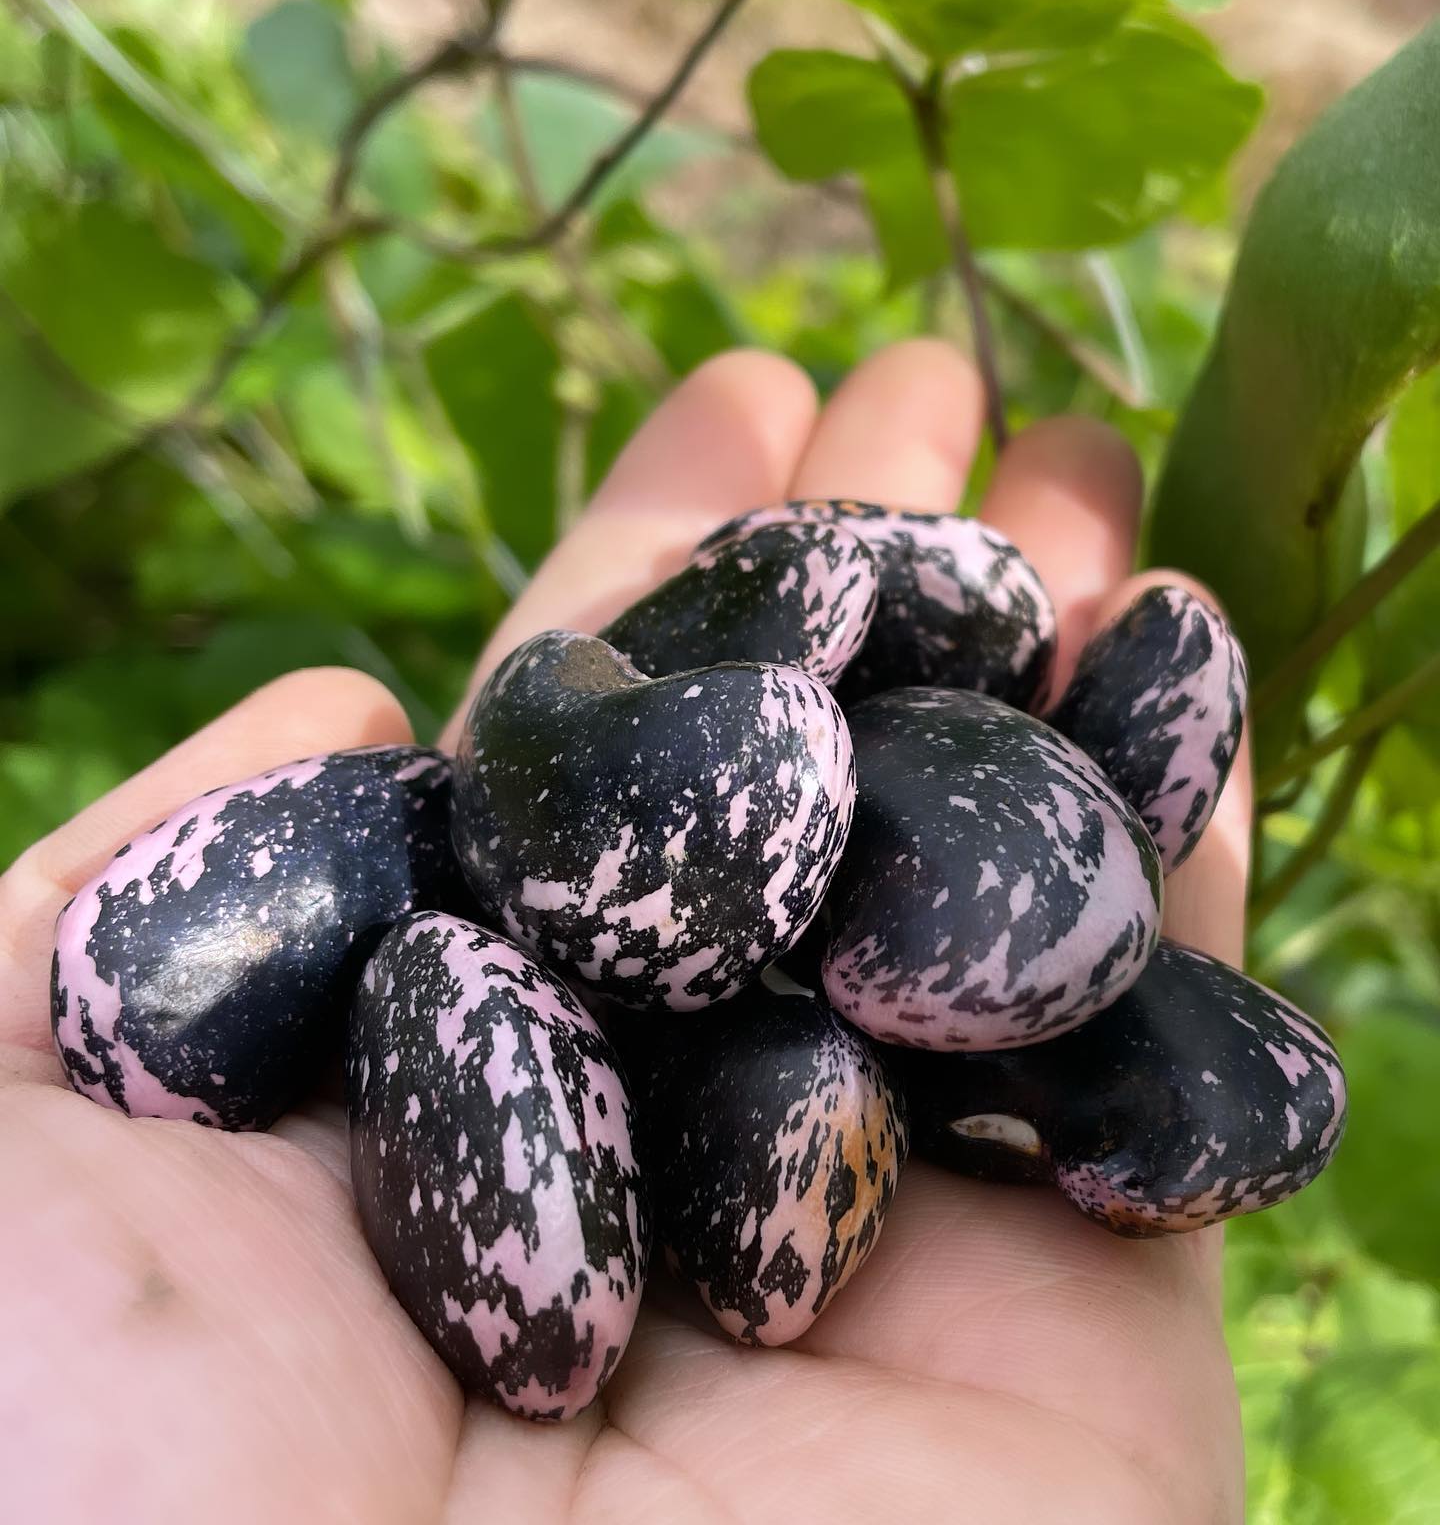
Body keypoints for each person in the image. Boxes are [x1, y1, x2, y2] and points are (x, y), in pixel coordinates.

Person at [0, 342, 1249, 1522]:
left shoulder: (811, 856)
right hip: (587, 945)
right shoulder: (505, 861)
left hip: (728, 935)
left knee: (819, 1030)